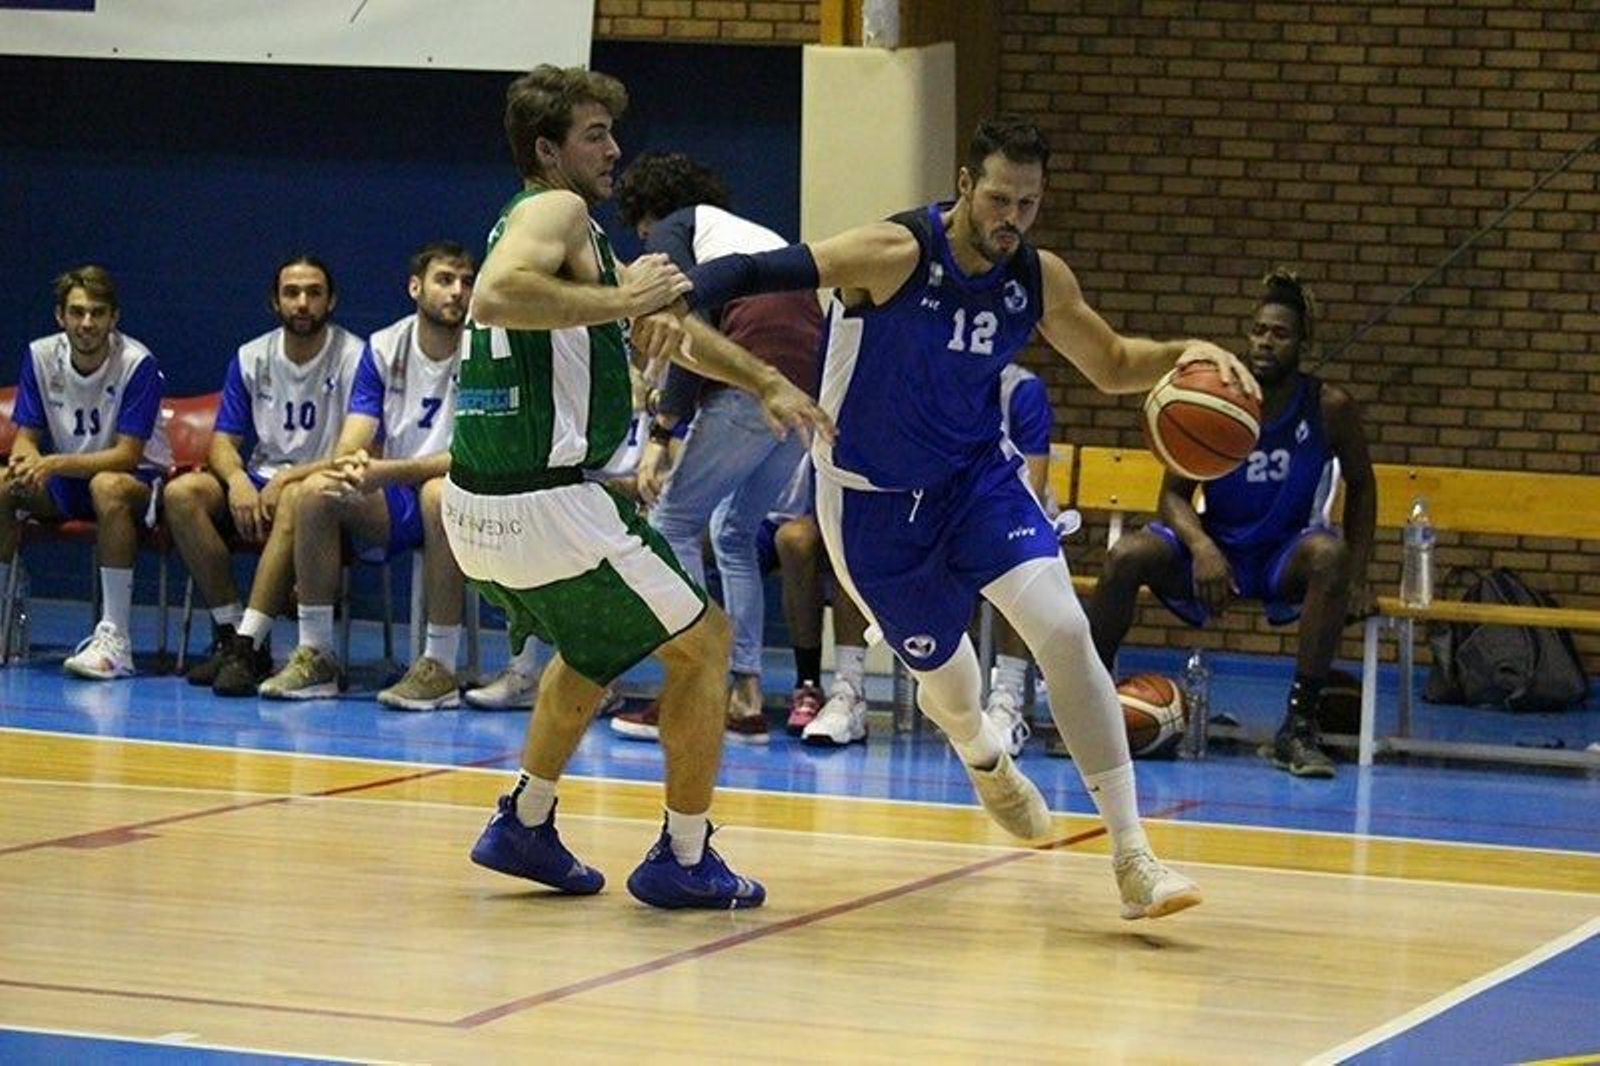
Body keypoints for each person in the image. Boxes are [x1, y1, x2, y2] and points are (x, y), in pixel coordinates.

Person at [641, 115, 1260, 919]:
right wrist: (674, 298)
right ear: (965, 186)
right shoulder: (893, 254)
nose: (1012, 218)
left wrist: (1187, 352)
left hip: (976, 481)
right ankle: (981, 752)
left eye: (1028, 204)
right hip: (870, 506)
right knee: (952, 683)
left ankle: (1133, 857)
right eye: (999, 198)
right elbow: (762, 269)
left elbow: (1110, 364)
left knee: (1064, 631)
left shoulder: (1037, 278)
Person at [447, 65, 829, 910]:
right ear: (548, 151)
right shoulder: (557, 210)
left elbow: (672, 333)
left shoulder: (567, 240)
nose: (615, 148)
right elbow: (497, 293)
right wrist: (624, 294)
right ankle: (684, 858)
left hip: (483, 505)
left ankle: (526, 821)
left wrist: (761, 379)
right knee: (704, 646)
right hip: (544, 498)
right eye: (594, 134)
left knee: (596, 646)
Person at [1084, 268, 1375, 778]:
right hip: (1216, 548)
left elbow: (1364, 486)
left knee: (1331, 558)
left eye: (1279, 334)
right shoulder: (1217, 397)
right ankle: (1086, 708)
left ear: (1303, 343)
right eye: (1258, 330)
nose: (1264, 342)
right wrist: (1202, 547)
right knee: (1125, 556)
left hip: (1282, 556)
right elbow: (1171, 498)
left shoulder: (1330, 408)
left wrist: (1359, 575)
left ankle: (1298, 727)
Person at [612, 150, 824, 746]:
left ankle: (692, 687)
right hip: (802, 388)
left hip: (756, 382)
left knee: (671, 520)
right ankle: (747, 696)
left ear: (649, 217)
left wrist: (661, 433)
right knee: (734, 534)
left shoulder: (676, 227)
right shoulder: (747, 232)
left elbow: (685, 322)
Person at [257, 242, 476, 707]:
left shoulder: (489, 348)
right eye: (445, 280)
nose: (457, 292)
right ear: (415, 287)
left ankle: (439, 666)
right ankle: (316, 654)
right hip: (395, 495)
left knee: (439, 494)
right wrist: (356, 467)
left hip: (466, 494)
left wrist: (389, 470)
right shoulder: (383, 346)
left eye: (466, 282)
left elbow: (474, 456)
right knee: (318, 490)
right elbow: (352, 443)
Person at [164, 255, 364, 696]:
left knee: (297, 496)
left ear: (332, 301)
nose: (303, 303)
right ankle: (232, 633)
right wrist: (236, 480)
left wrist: (287, 481)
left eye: (314, 292)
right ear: (275, 301)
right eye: (292, 293)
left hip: (325, 484)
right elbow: (222, 442)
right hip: (261, 477)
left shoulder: (355, 356)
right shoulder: (251, 355)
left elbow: (357, 449)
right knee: (183, 495)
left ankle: (249, 642)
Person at [1, 266, 172, 678]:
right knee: (4, 486)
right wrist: (25, 459)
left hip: (138, 484)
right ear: (61, 316)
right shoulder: (42, 356)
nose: (87, 323)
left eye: (97, 313)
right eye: (77, 313)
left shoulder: (136, 362)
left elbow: (127, 456)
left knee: (107, 486)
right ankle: (4, 615)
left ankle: (116, 641)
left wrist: (54, 462)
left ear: (115, 318)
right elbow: (27, 435)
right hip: (71, 478)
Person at [980, 362, 1056, 756]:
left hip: (1017, 517)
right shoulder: (933, 378)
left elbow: (1032, 494)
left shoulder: (1022, 389)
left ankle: (1006, 699)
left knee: (1012, 552)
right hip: (954, 518)